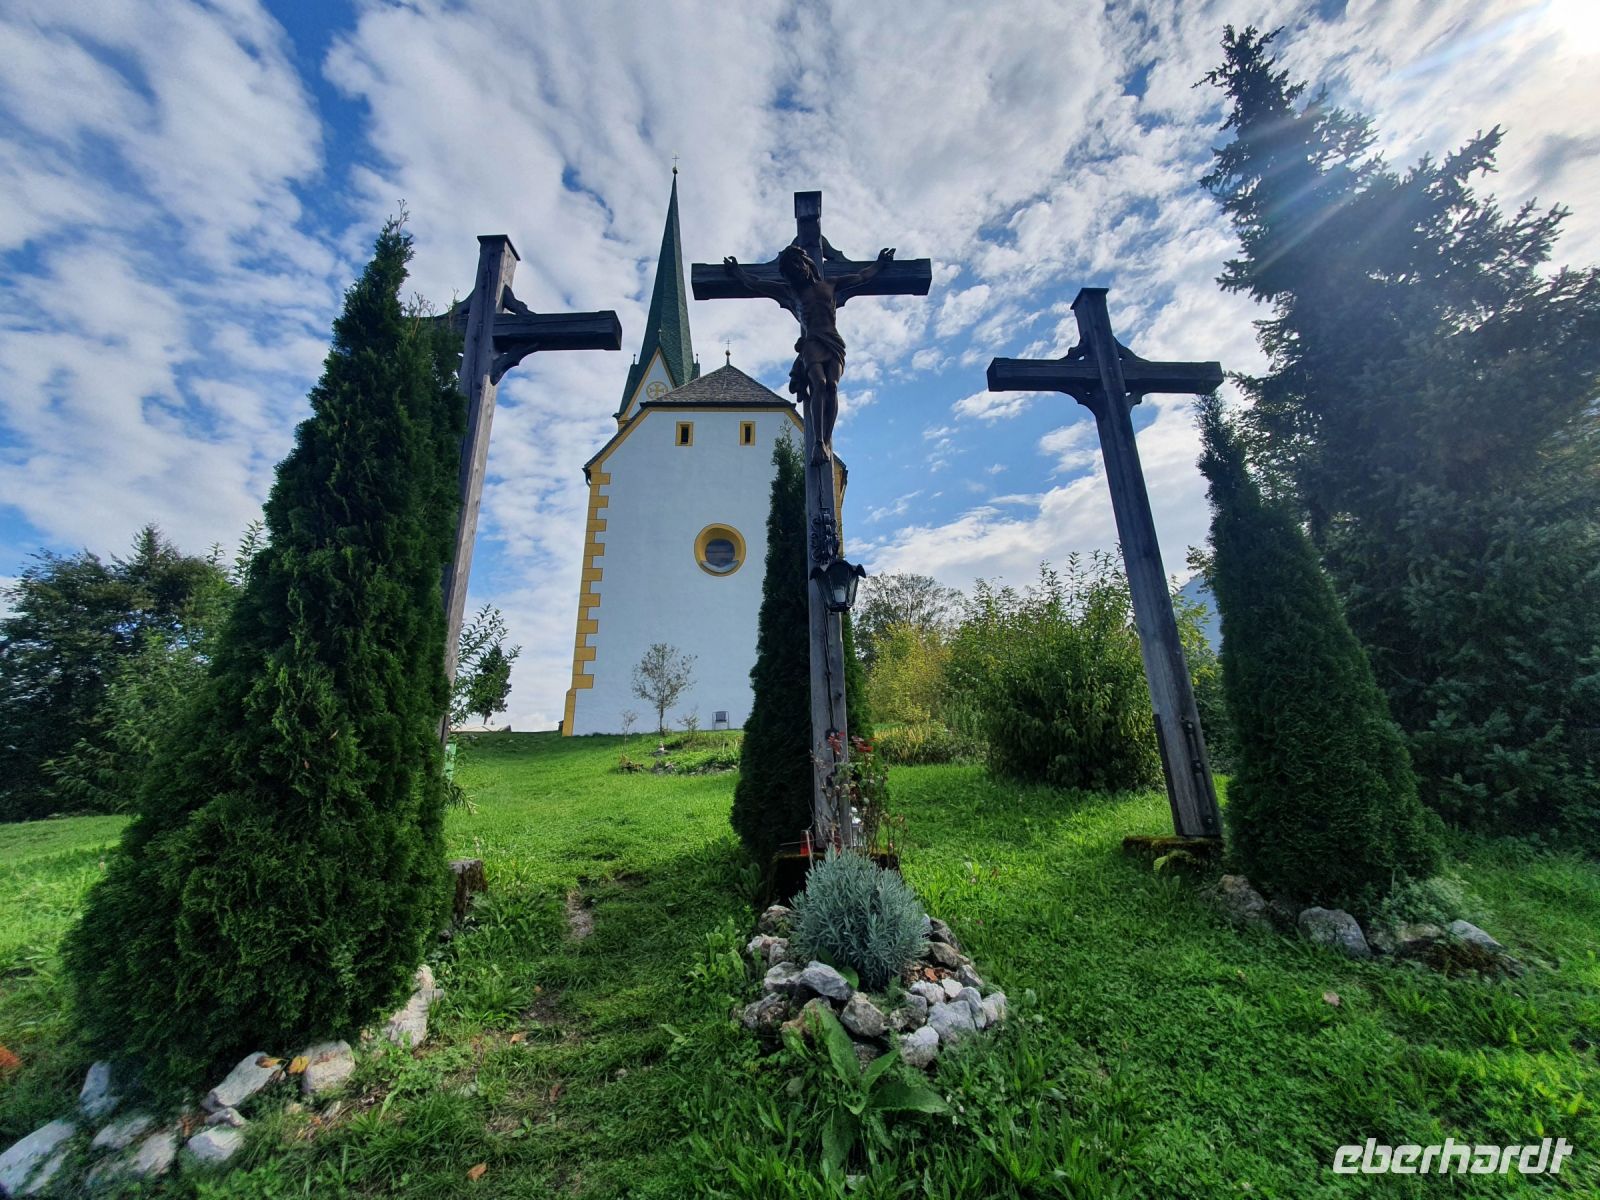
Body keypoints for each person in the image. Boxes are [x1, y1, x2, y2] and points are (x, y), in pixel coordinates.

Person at [722, 244, 895, 464]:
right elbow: (756, 283)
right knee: (819, 384)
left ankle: (826, 439)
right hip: (811, 342)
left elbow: (862, 276)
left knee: (832, 386)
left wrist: (880, 263)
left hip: (833, 342)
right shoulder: (791, 292)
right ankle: (818, 442)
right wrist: (737, 272)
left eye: (798, 264)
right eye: (792, 269)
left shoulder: (830, 284)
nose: (797, 270)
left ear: (807, 263)